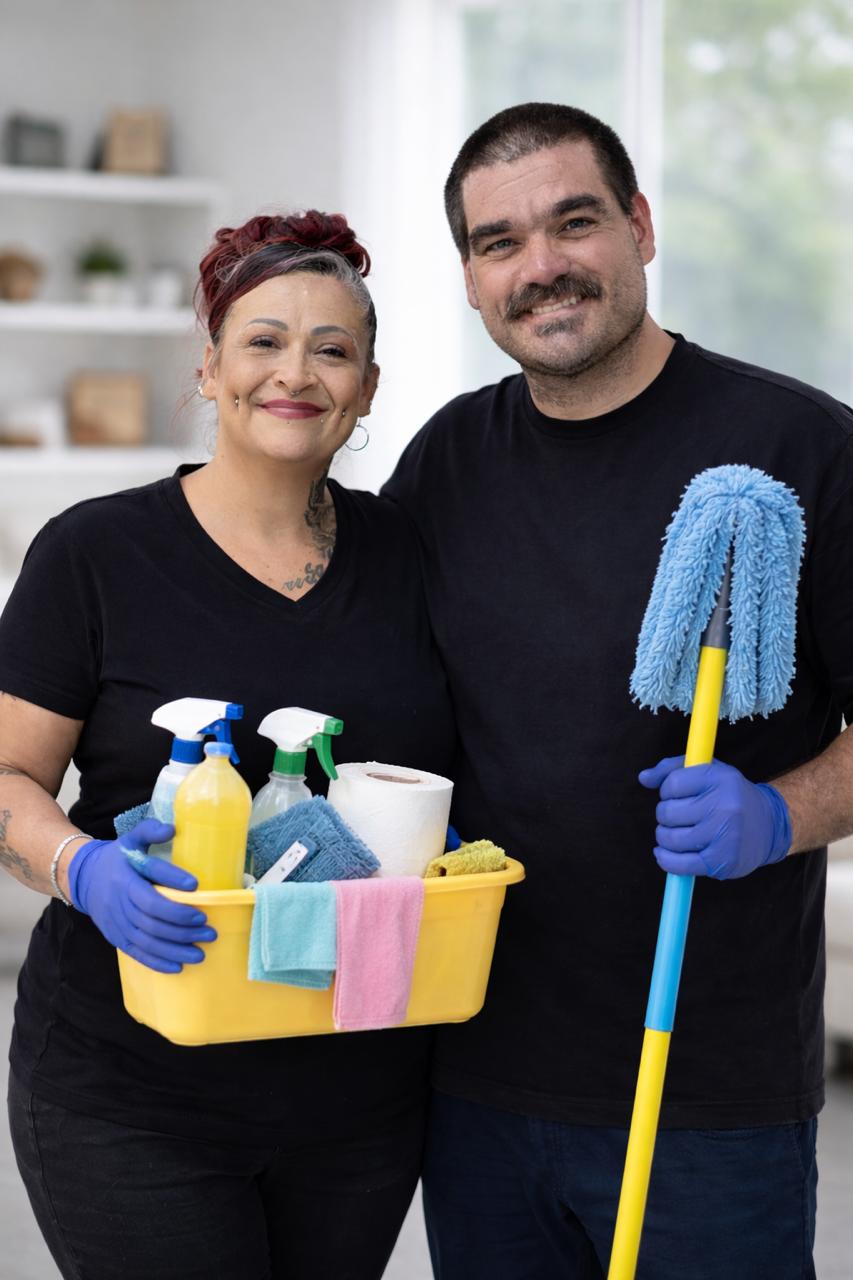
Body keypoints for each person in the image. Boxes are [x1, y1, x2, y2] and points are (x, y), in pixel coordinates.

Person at [384, 102, 853, 1279]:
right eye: (500, 242)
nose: (540, 267)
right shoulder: (446, 461)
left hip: (707, 1092)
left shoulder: (798, 449)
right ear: (472, 277)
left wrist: (777, 815)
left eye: (573, 221)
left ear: (640, 227)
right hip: (474, 1074)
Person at [0, 210, 455, 1280]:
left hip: (361, 1089)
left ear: (369, 386)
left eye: (331, 346)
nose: (294, 370)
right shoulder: (95, 554)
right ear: (208, 369)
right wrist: (81, 865)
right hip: (133, 1088)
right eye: (262, 339)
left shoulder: (410, 557)